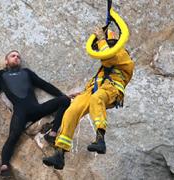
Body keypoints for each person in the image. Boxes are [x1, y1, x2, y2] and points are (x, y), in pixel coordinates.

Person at [42, 27, 135, 170]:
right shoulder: (108, 60)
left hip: (111, 90)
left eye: (110, 43)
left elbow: (108, 58)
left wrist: (101, 39)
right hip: (93, 90)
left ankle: (100, 139)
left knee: (97, 99)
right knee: (72, 110)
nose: (107, 45)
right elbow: (102, 57)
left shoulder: (124, 56)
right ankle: (60, 153)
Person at [0, 50, 70, 176]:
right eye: (13, 56)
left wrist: (62, 94)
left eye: (18, 57)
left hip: (37, 109)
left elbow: (44, 85)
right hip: (20, 113)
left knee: (65, 100)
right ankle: (5, 166)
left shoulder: (26, 72)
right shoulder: (0, 75)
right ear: (6, 61)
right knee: (13, 136)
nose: (16, 58)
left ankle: (53, 133)